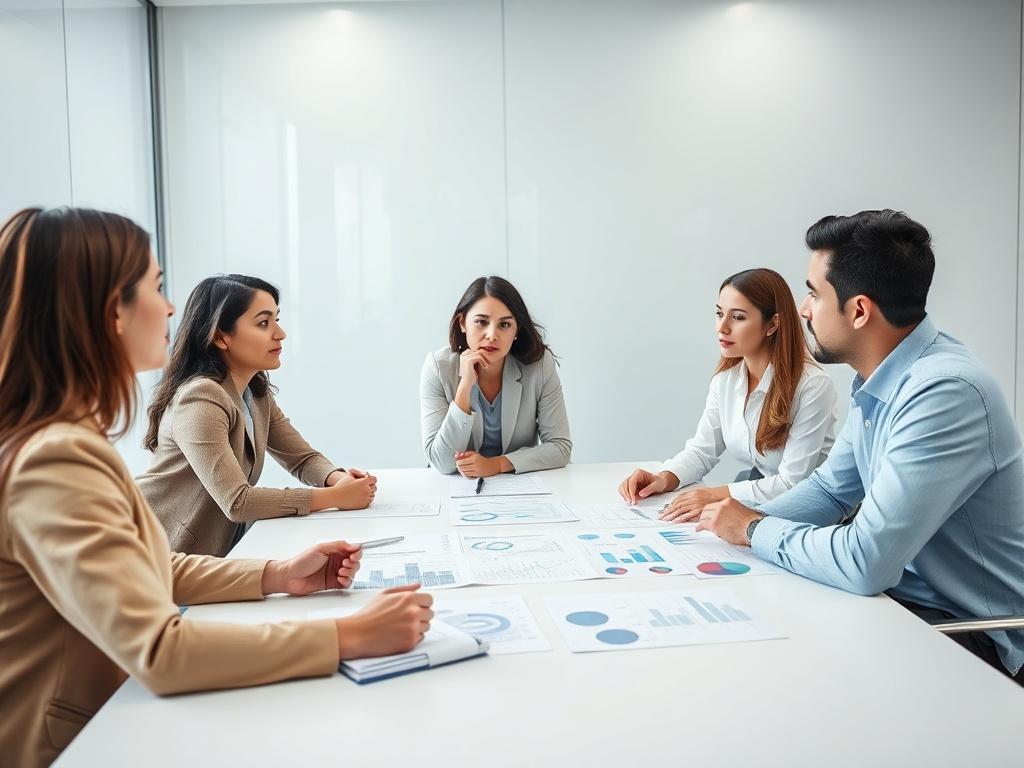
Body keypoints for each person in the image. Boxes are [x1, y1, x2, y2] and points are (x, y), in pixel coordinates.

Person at [0, 208, 433, 767]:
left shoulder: (68, 438)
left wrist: (279, 574)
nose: (171, 306)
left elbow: (152, 564)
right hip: (71, 744)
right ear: (109, 312)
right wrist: (347, 635)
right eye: (156, 287)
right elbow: (161, 650)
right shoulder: (55, 457)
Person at [696, 210, 1024, 684]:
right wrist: (739, 528)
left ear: (859, 310)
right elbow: (831, 492)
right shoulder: (879, 379)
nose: (803, 310)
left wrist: (751, 531)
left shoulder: (945, 390)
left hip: (969, 630)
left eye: (813, 293)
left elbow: (865, 561)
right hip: (902, 602)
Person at [137, 275, 376, 556]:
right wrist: (334, 497)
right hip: (156, 561)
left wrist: (337, 479)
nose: (280, 333)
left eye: (276, 319)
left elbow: (302, 458)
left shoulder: (255, 392)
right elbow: (238, 502)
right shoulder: (200, 397)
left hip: (211, 557)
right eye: (264, 323)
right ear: (221, 337)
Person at [619, 268, 837, 521]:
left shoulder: (813, 385)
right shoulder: (725, 381)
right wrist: (663, 478)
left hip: (813, 515)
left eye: (738, 317)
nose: (722, 327)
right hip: (762, 508)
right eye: (720, 314)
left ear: (772, 324)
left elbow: (792, 483)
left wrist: (715, 495)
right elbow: (702, 451)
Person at [420, 275, 572, 476]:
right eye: (482, 322)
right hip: (456, 488)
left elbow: (560, 447)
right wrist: (465, 386)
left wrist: (498, 464)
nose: (492, 335)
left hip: (519, 487)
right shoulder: (438, 368)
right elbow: (442, 463)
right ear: (462, 323)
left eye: (504, 325)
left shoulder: (539, 365)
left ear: (516, 329)